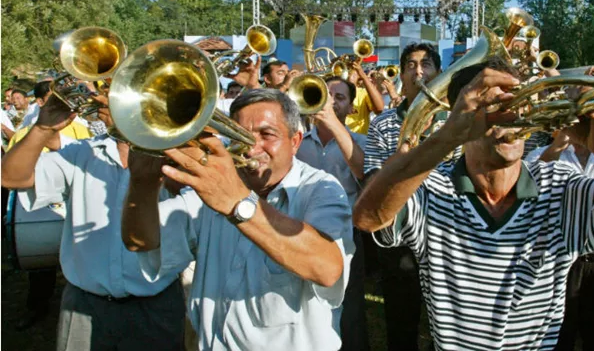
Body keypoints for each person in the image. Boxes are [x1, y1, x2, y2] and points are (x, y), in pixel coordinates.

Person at [354, 59, 594, 350]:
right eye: (496, 108)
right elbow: (368, 218)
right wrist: (446, 138)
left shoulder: (560, 185)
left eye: (521, 105)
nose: (515, 119)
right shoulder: (432, 188)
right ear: (461, 115)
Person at [121, 89, 355, 350]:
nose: (251, 148)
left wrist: (238, 204)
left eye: (267, 135)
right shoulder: (212, 189)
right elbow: (141, 243)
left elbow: (327, 269)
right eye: (238, 135)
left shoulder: (321, 188)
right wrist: (142, 184)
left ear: (296, 140)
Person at [1, 93, 186, 350]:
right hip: (84, 303)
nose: (103, 101)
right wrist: (42, 128)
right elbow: (11, 178)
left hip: (156, 304)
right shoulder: (82, 152)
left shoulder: (178, 155)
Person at [363, 42, 449, 351]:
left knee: (449, 324)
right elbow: (372, 178)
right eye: (410, 66)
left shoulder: (455, 119)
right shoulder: (383, 122)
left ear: (439, 73)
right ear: (400, 75)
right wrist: (405, 153)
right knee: (401, 321)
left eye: (426, 65)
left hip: (446, 234)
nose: (418, 71)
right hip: (399, 239)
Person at [526, 129, 594, 351]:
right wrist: (557, 146)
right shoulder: (539, 153)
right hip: (561, 261)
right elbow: (526, 191)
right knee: (557, 336)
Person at [5, 81, 93, 331]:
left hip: (72, 205)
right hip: (41, 201)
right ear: (42, 103)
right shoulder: (25, 132)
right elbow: (13, 174)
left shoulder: (82, 130)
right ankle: (37, 308)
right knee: (42, 271)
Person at [296, 76, 370, 351]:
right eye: (326, 94)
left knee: (350, 309)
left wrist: (335, 126)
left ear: (352, 107)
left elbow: (363, 173)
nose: (331, 101)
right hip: (302, 232)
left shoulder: (360, 141)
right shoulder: (299, 142)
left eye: (339, 97)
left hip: (346, 235)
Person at [344, 61, 384, 135]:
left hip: (359, 141)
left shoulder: (363, 92)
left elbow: (379, 109)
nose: (349, 73)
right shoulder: (332, 91)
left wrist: (364, 76)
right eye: (347, 69)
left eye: (352, 70)